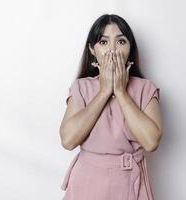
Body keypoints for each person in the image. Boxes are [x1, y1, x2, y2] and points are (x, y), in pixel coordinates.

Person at [59, 14, 164, 200]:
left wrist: (121, 92)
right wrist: (104, 91)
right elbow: (68, 140)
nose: (113, 50)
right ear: (92, 49)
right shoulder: (81, 87)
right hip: (87, 184)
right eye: (104, 42)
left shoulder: (145, 88)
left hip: (130, 185)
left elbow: (151, 142)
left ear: (130, 48)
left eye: (121, 41)